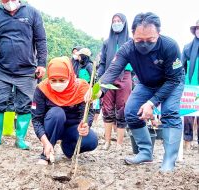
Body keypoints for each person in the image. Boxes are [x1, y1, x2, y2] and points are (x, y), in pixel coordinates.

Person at [87, 12, 185, 172]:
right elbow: (112, 71)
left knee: (170, 113)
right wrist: (98, 90)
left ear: (158, 34)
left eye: (150, 40)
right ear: (133, 34)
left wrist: (152, 103)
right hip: (146, 83)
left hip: (171, 82)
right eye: (139, 40)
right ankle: (145, 152)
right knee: (131, 111)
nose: (144, 45)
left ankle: (169, 161)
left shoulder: (169, 46)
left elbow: (173, 80)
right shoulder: (127, 49)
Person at [0, 0, 47, 150]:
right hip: (2, 69)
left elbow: (41, 40)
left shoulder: (32, 13)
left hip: (27, 69)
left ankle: (20, 139)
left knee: (25, 104)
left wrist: (42, 63)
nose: (8, 2)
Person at [32, 57, 98, 165]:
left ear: (70, 75)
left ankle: (68, 148)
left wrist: (86, 125)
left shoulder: (81, 87)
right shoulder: (42, 89)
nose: (57, 84)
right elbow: (36, 120)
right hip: (52, 125)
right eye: (53, 80)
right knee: (57, 113)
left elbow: (88, 112)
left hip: (73, 128)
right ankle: (46, 153)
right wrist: (45, 142)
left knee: (91, 141)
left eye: (62, 80)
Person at [97, 13, 132, 150]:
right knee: (107, 108)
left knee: (122, 108)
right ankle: (107, 141)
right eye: (114, 21)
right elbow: (102, 62)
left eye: (119, 21)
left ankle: (119, 143)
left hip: (125, 76)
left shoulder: (130, 41)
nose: (116, 23)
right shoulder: (107, 42)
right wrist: (99, 78)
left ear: (124, 23)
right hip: (108, 76)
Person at [182, 19, 199, 148]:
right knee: (188, 115)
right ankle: (187, 141)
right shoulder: (187, 48)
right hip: (190, 87)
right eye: (198, 28)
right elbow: (181, 67)